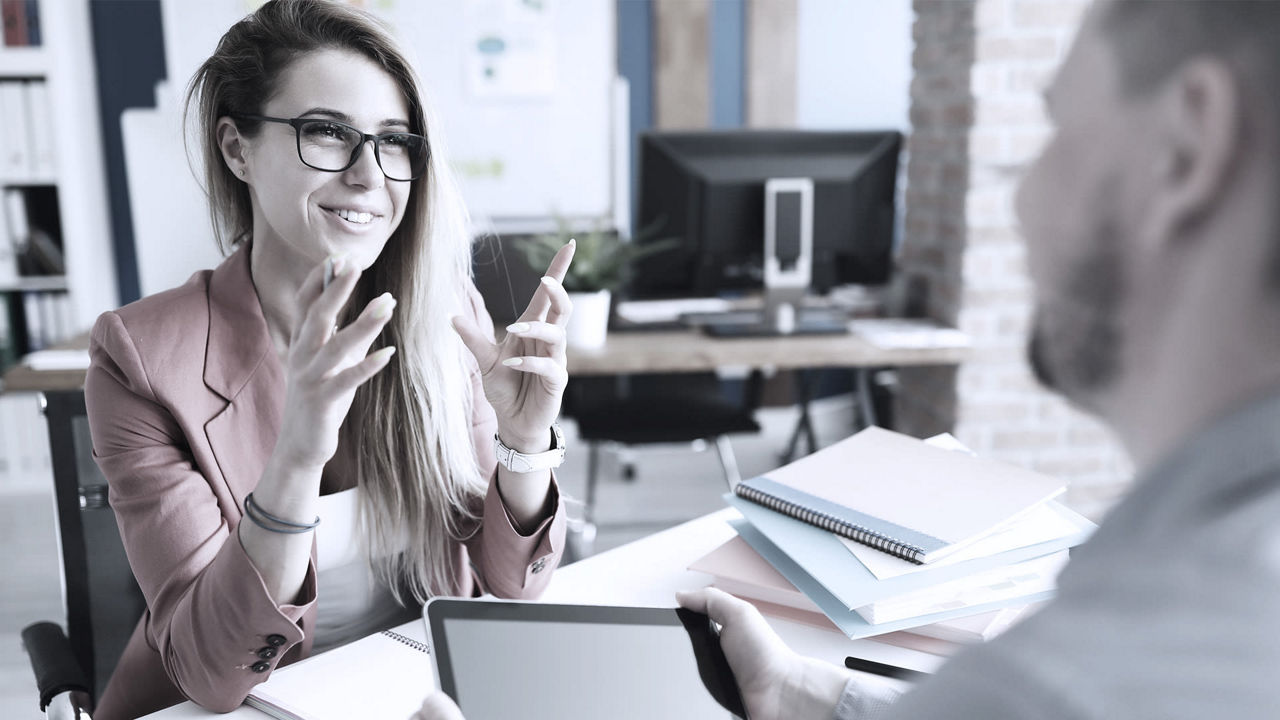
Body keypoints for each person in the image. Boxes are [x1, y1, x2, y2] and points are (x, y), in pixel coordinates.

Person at [415, 0, 1280, 718]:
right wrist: (802, 692)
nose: (1018, 197)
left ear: (1187, 148)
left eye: (1054, 130)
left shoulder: (1079, 673)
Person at [83, 1, 575, 718]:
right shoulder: (142, 359)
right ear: (237, 149)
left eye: (394, 141)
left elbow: (513, 585)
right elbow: (214, 675)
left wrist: (524, 445)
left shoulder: (445, 313)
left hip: (415, 691)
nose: (370, 174)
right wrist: (296, 459)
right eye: (327, 132)